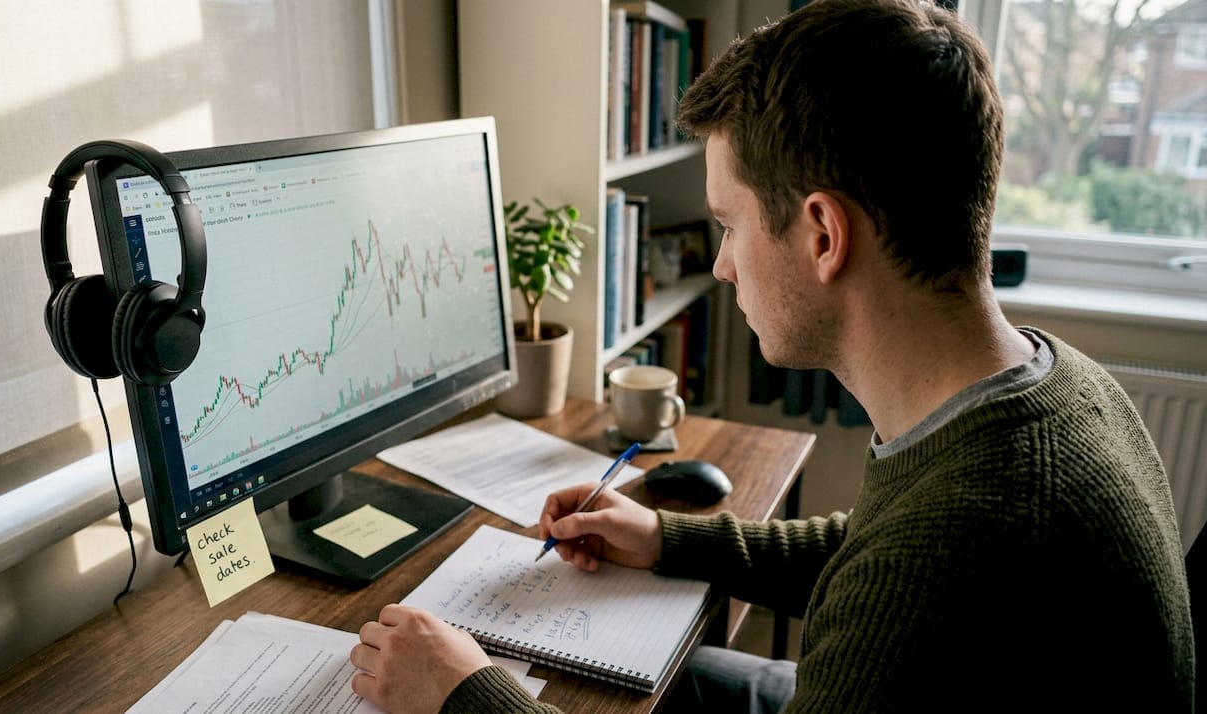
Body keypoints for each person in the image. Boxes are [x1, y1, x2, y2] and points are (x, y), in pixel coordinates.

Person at [349, 0, 1195, 710]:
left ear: (823, 234)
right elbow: (872, 548)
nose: (721, 265)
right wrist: (668, 541)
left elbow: (904, 573)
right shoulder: (1055, 384)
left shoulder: (954, 559)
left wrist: (465, 693)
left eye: (729, 225)